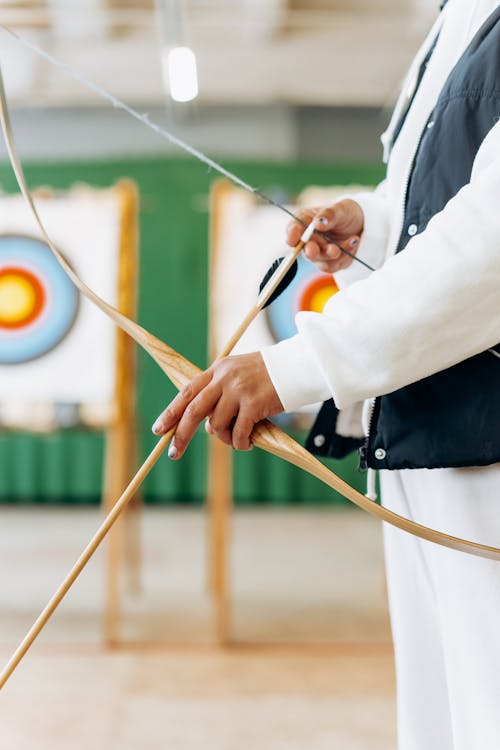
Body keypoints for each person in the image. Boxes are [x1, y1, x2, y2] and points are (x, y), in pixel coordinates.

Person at [152, 1, 500, 747]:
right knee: (445, 717)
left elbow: (490, 243)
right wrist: (370, 222)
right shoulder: (457, 14)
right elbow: (436, 197)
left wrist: (299, 365)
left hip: (487, 442)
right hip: (428, 426)